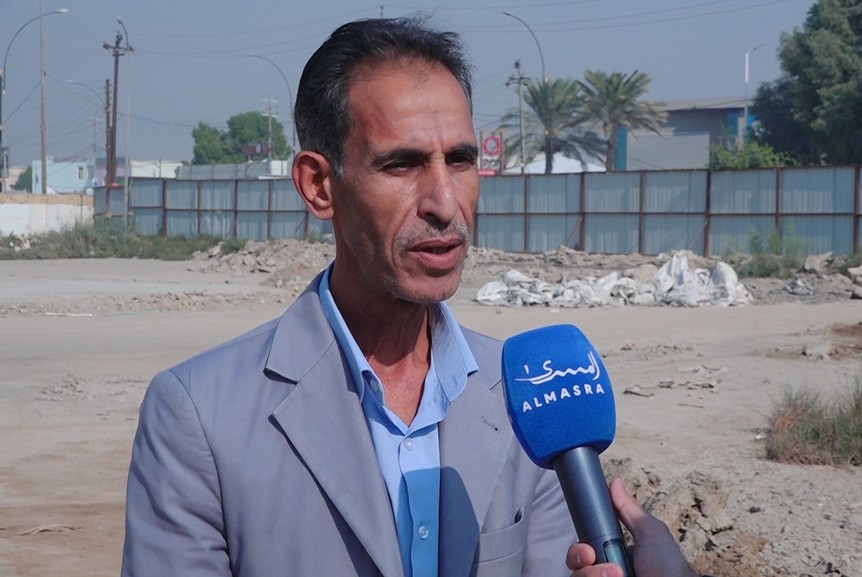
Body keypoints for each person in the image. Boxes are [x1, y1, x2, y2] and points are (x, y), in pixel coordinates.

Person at [121, 16, 702, 577]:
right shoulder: (200, 415)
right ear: (319, 185)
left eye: (461, 160)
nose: (445, 204)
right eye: (402, 164)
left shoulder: (527, 398)